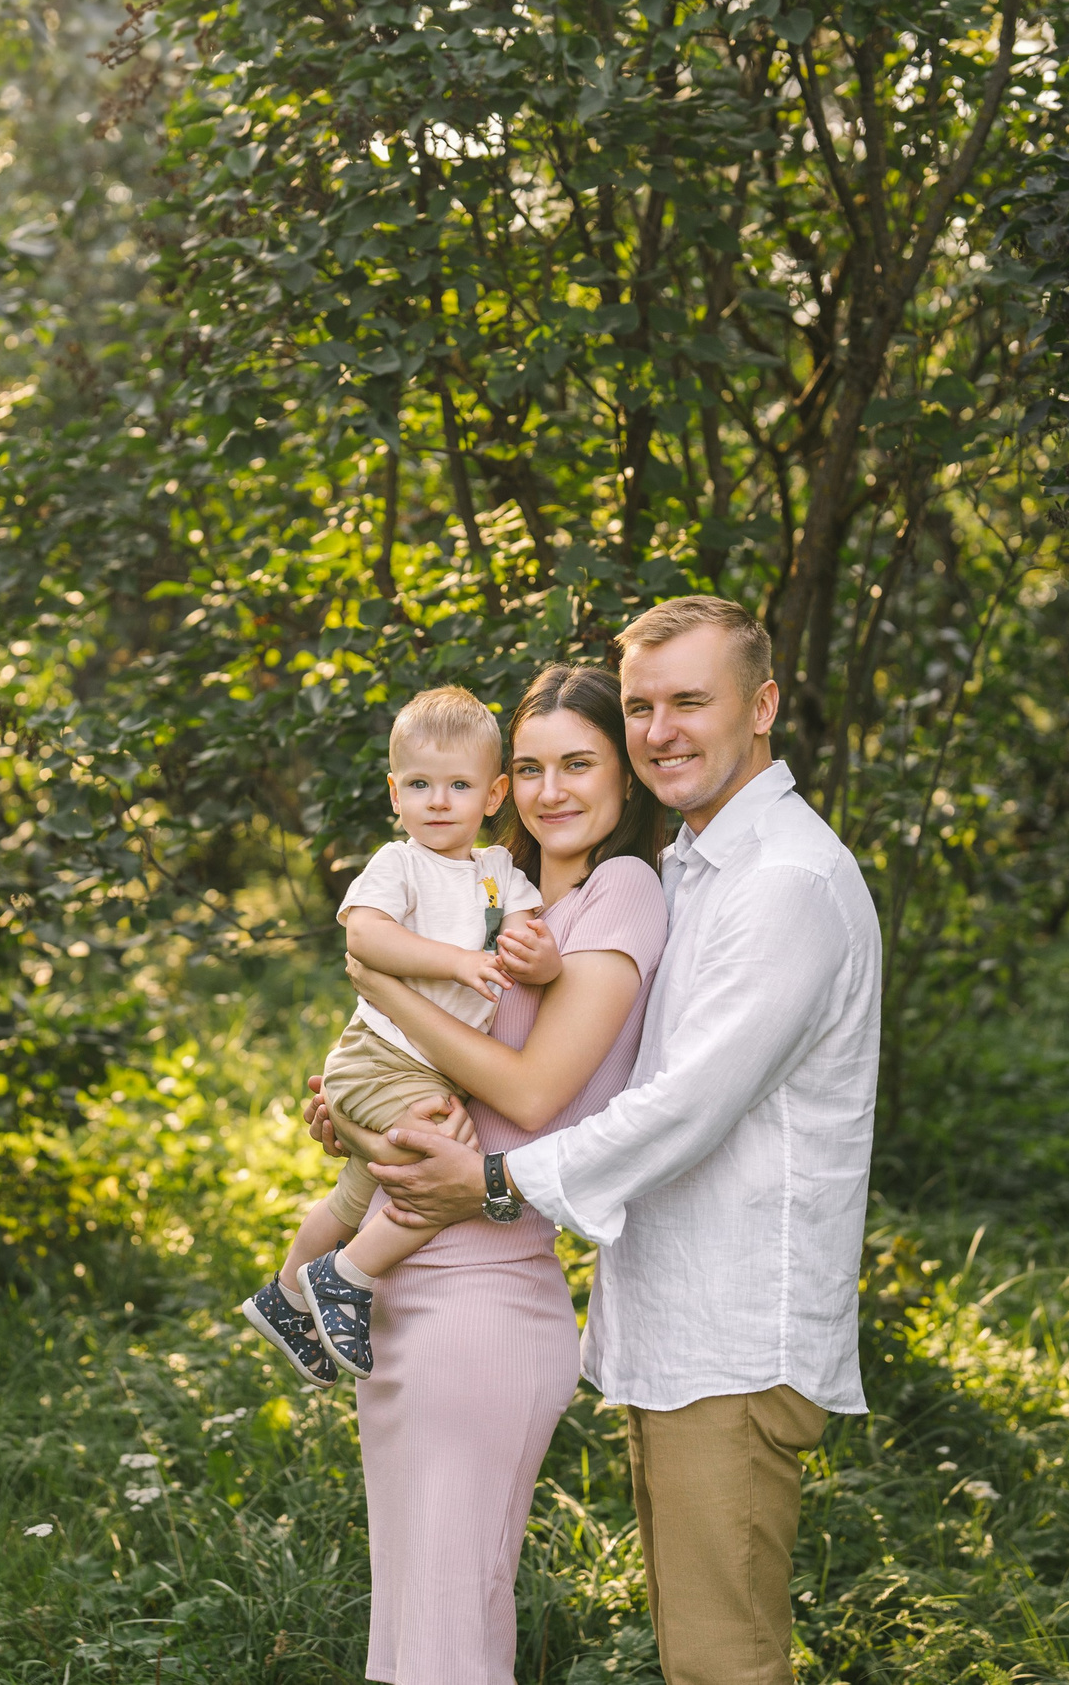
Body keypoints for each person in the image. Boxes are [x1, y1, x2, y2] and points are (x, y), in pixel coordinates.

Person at [338, 597, 882, 1685]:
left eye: (691, 700)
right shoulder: (690, 868)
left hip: (733, 1335)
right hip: (667, 1327)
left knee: (722, 1665)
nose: (664, 726)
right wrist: (377, 1105)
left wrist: (487, 1181)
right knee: (693, 1654)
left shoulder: (783, 883)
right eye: (644, 705)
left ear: (763, 705)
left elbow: (678, 1109)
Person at [314, 664, 670, 1685]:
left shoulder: (622, 892)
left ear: (626, 776)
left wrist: (381, 975)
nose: (552, 790)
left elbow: (524, 1091)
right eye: (529, 767)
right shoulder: (493, 897)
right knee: (417, 1636)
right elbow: (430, 1071)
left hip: (482, 1293)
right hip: (407, 1281)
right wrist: (346, 1096)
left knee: (447, 1644)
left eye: (579, 764)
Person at [240, 686, 553, 1386]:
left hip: (427, 1067)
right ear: (394, 792)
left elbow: (535, 937)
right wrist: (458, 960)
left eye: (458, 785)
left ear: (494, 794)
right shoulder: (400, 863)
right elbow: (366, 934)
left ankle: (288, 1291)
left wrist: (543, 957)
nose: (438, 801)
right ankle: (347, 1275)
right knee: (445, 1151)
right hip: (378, 1058)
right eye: (419, 784)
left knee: (359, 1191)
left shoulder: (499, 875)